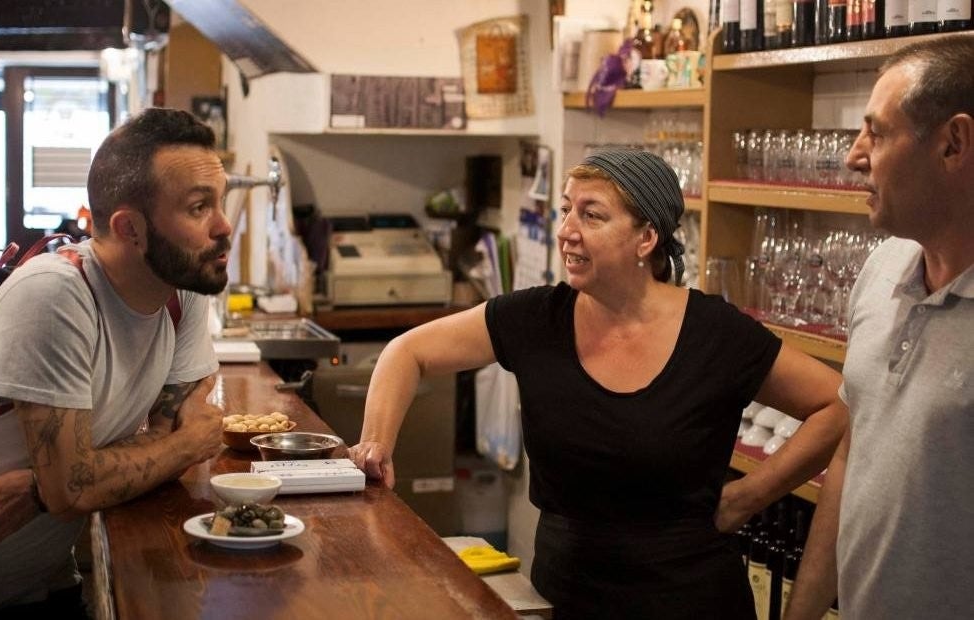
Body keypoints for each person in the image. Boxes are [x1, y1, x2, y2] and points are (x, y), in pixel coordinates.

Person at [350, 148, 847, 619]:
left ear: (645, 238)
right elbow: (406, 352)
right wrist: (376, 441)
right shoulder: (537, 318)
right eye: (566, 210)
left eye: (592, 215)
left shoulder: (714, 333)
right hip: (564, 593)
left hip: (688, 599)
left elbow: (836, 406)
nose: (566, 231)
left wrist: (750, 495)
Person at [0, 107, 230, 615]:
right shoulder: (55, 297)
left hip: (45, 578)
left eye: (221, 201)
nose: (224, 225)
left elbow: (78, 480)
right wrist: (189, 442)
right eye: (198, 208)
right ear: (129, 228)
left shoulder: (183, 290)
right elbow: (76, 488)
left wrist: (54, 483)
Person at [784, 36, 974, 620]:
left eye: (878, 132)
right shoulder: (884, 263)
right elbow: (851, 453)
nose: (853, 156)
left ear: (953, 144)